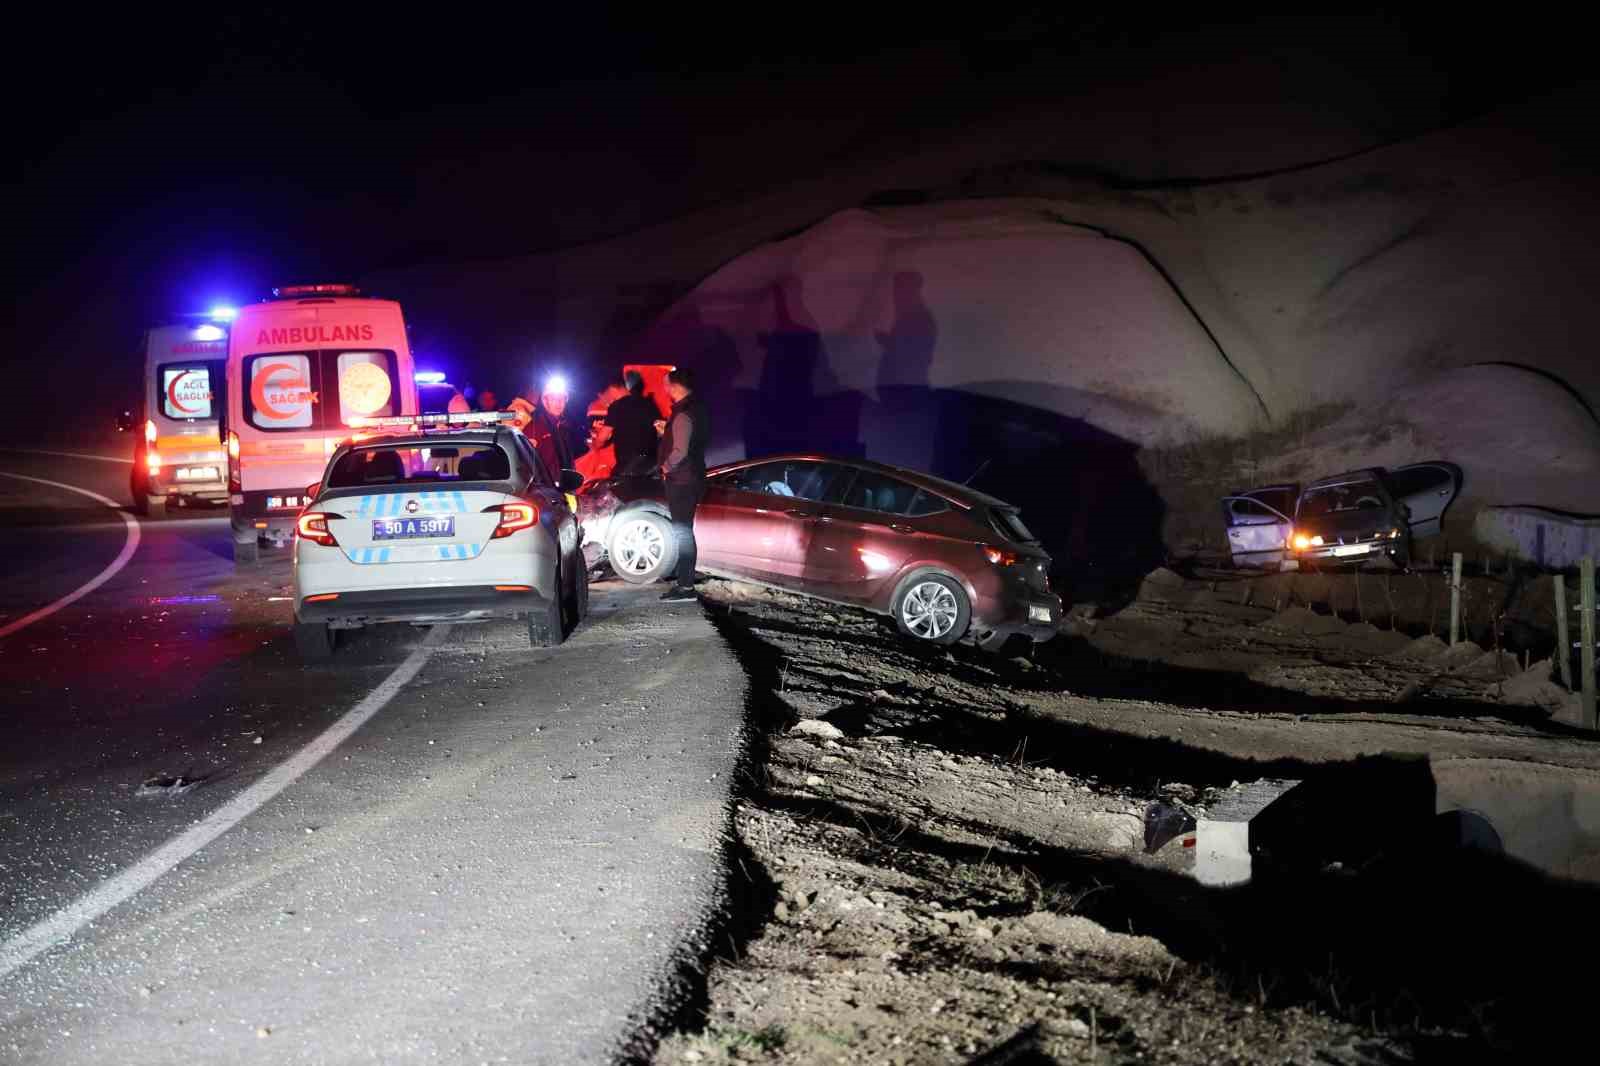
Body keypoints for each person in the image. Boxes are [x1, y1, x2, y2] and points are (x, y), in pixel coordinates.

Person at [658, 367, 709, 601]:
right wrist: (665, 431)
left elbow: (680, 451)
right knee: (684, 530)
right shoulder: (696, 409)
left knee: (683, 532)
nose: (664, 388)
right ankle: (684, 579)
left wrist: (665, 466)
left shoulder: (683, 414)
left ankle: (685, 585)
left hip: (682, 481)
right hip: (692, 477)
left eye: (666, 384)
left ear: (675, 387)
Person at [605, 370, 661, 477]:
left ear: (613, 388)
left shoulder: (616, 406)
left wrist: (595, 445)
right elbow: (661, 430)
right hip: (651, 464)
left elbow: (603, 437)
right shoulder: (650, 404)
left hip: (627, 467)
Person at [523, 375, 581, 479]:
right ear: (545, 401)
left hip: (563, 485)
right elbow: (525, 463)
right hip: (545, 489)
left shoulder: (564, 427)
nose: (558, 402)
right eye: (553, 398)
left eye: (562, 399)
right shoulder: (535, 427)